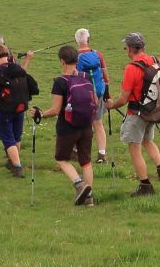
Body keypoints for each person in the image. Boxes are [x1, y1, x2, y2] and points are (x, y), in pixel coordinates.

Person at [104, 32, 160, 196]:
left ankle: (145, 186)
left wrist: (111, 105)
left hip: (137, 113)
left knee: (134, 147)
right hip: (154, 110)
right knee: (148, 141)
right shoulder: (156, 61)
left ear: (129, 49)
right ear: (142, 47)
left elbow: (124, 98)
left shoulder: (132, 68)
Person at [34, 46, 98, 206]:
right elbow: (95, 101)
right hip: (86, 125)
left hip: (67, 127)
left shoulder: (60, 82)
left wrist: (40, 114)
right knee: (86, 161)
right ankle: (89, 199)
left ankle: (79, 184)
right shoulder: (86, 77)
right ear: (77, 60)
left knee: (62, 159)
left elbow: (56, 110)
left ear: (62, 61)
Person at [0, 44, 34, 178]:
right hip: (20, 107)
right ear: (8, 55)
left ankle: (17, 166)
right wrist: (27, 60)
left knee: (8, 139)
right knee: (16, 137)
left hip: (4, 109)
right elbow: (23, 73)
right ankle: (14, 162)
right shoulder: (16, 67)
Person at [74, 28, 112, 165]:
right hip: (99, 92)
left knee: (81, 123)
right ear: (89, 39)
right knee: (98, 123)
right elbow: (106, 76)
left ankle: (79, 151)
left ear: (77, 41)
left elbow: (72, 76)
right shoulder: (97, 54)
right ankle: (102, 154)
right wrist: (108, 94)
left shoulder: (74, 56)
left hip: (82, 94)